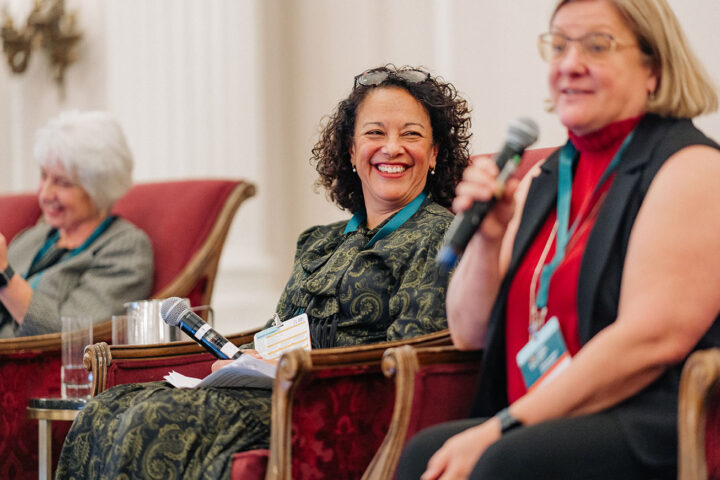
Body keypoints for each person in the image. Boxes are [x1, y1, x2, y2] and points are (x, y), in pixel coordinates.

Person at [56, 65, 472, 479]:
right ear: (351, 150)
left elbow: (412, 356)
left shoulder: (440, 236)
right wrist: (251, 359)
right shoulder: (321, 241)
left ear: (434, 153)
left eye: (412, 134)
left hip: (336, 402)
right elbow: (276, 333)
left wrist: (299, 367)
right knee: (105, 408)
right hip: (273, 389)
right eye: (375, 133)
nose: (392, 147)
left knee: (156, 419)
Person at [397, 1, 720, 479]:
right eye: (560, 44)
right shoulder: (544, 178)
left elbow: (651, 341)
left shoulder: (691, 168)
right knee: (426, 452)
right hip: (542, 417)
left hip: (645, 419)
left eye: (597, 45)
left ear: (653, 68)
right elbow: (470, 332)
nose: (570, 64)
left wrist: (502, 427)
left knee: (501, 461)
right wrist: (488, 239)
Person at [0, 110, 153, 338]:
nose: (45, 194)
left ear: (99, 188)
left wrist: (4, 276)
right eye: (44, 176)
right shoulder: (32, 237)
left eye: (63, 183)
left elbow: (71, 337)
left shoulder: (126, 250)